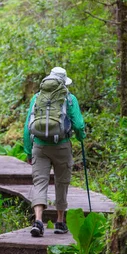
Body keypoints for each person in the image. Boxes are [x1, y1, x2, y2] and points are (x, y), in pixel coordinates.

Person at [23, 67, 86, 237]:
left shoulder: (37, 98)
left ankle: (38, 220)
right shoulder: (69, 99)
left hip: (39, 146)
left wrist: (29, 151)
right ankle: (60, 221)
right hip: (62, 146)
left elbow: (27, 126)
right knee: (61, 182)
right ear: (63, 82)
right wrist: (81, 137)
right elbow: (79, 125)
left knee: (40, 182)